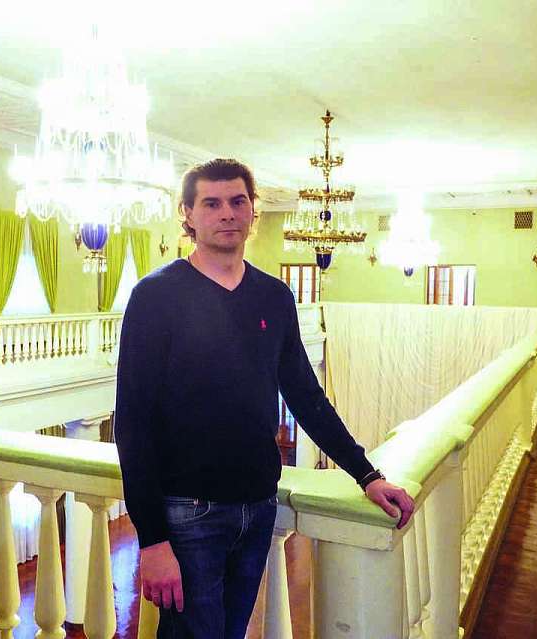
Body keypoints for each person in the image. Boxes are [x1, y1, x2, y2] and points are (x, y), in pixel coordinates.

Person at [114, 158, 414, 638]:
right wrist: (151, 540)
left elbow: (306, 396)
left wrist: (367, 475)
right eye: (211, 203)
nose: (227, 213)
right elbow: (133, 424)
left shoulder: (273, 296)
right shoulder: (156, 296)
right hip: (188, 510)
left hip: (257, 504)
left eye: (238, 201)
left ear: (253, 210)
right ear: (187, 214)